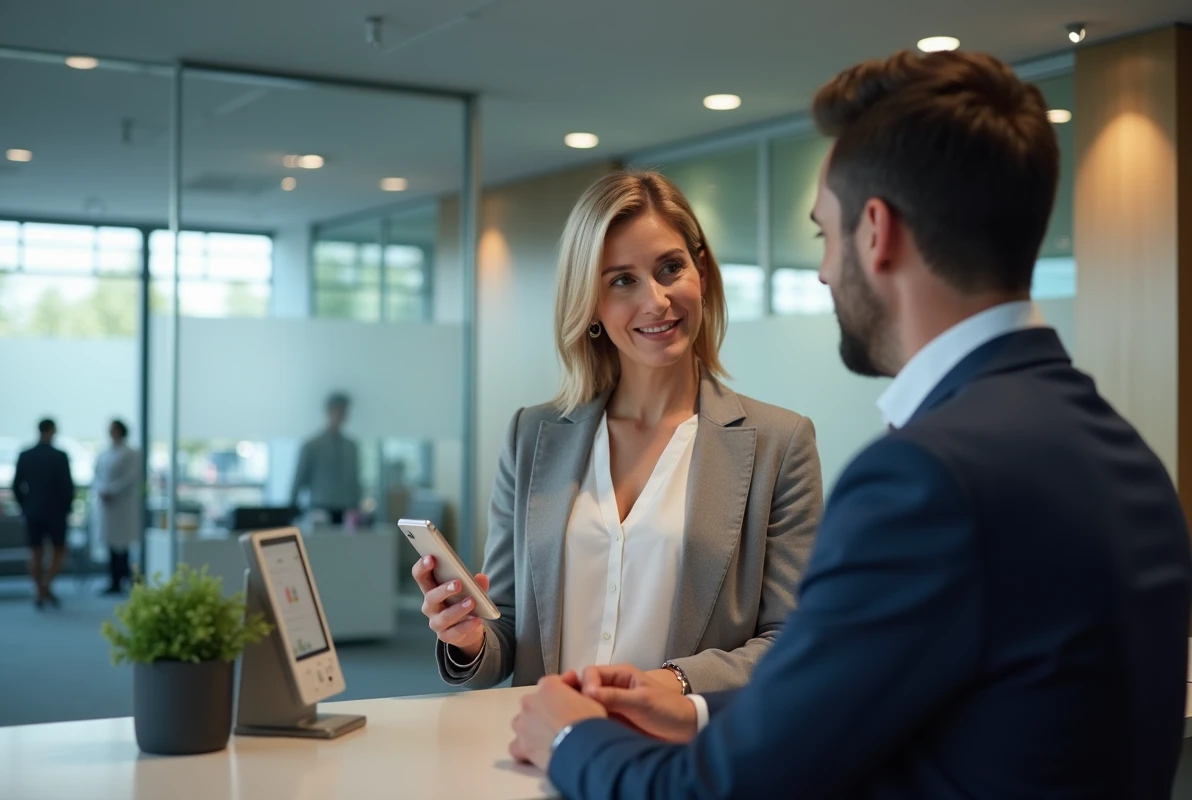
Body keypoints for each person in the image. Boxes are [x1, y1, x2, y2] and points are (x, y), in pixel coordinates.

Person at [509, 50, 1192, 799]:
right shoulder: (1123, 454)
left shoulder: (925, 479)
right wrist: (698, 707)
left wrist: (573, 738)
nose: (825, 272)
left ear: (877, 232)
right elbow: (901, 692)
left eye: (824, 235)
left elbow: (728, 789)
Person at [412, 171, 823, 696]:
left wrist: (670, 684)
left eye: (670, 268)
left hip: (682, 759)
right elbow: (509, 629)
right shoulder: (532, 435)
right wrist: (469, 636)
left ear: (702, 271)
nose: (656, 301)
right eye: (622, 280)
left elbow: (793, 639)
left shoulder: (779, 444)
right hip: (549, 749)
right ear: (591, 305)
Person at [11, 419, 75, 609]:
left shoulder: (26, 455)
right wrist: (66, 507)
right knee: (59, 550)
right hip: (56, 512)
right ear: (53, 431)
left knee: (35, 552)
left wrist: (25, 505)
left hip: (33, 510)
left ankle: (40, 591)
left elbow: (16, 486)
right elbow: (67, 487)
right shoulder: (60, 456)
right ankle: (45, 587)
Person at [290, 392, 361, 525]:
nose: (341, 415)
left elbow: (355, 480)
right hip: (320, 509)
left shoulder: (351, 447)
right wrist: (290, 511)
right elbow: (299, 479)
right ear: (329, 411)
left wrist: (358, 508)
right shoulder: (312, 445)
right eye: (338, 410)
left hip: (347, 511)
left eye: (344, 411)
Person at [91, 419, 142, 595]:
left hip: (122, 504)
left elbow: (131, 477)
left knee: (123, 544)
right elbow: (96, 475)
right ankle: (114, 580)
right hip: (107, 505)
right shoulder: (104, 453)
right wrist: (101, 490)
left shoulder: (131, 453)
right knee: (110, 544)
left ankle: (127, 578)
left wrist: (112, 490)